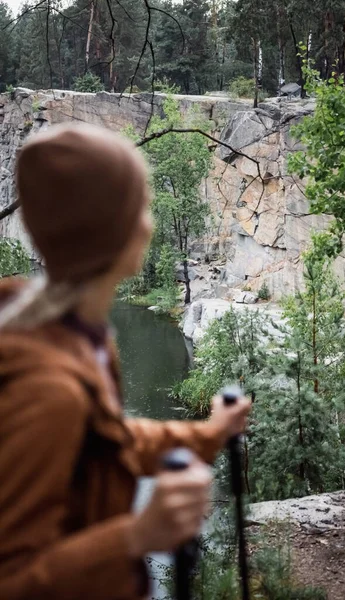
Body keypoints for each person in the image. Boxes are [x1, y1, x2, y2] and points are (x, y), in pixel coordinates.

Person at [0, 123, 250, 600]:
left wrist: (207, 434)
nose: (149, 221)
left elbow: (104, 440)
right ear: (117, 231)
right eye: (142, 206)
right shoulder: (47, 388)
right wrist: (138, 534)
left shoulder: (66, 334)